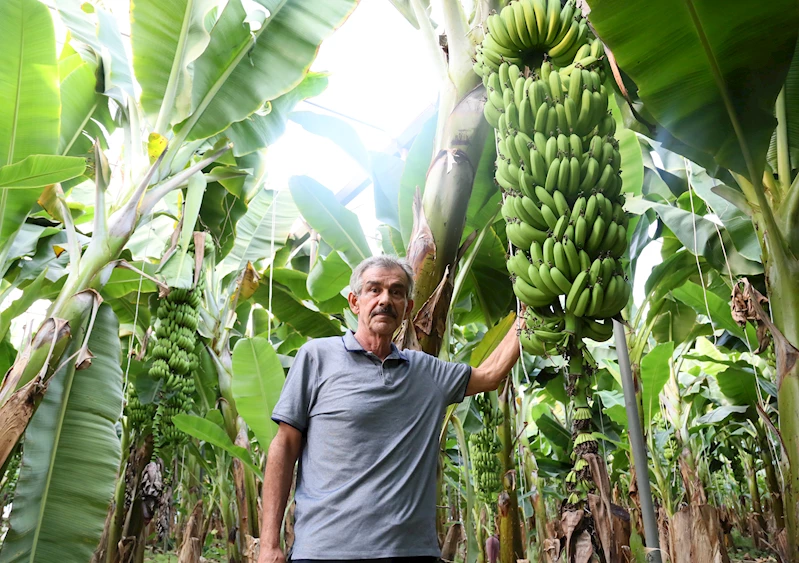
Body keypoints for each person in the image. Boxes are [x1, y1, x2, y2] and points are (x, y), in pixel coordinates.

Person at [257, 255, 521, 563]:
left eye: (397, 292)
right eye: (374, 290)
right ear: (355, 301)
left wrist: (528, 312)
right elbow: (285, 446)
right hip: (325, 551)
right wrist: (268, 544)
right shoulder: (316, 358)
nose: (385, 299)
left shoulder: (426, 372)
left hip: (410, 553)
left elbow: (490, 375)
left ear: (407, 308)